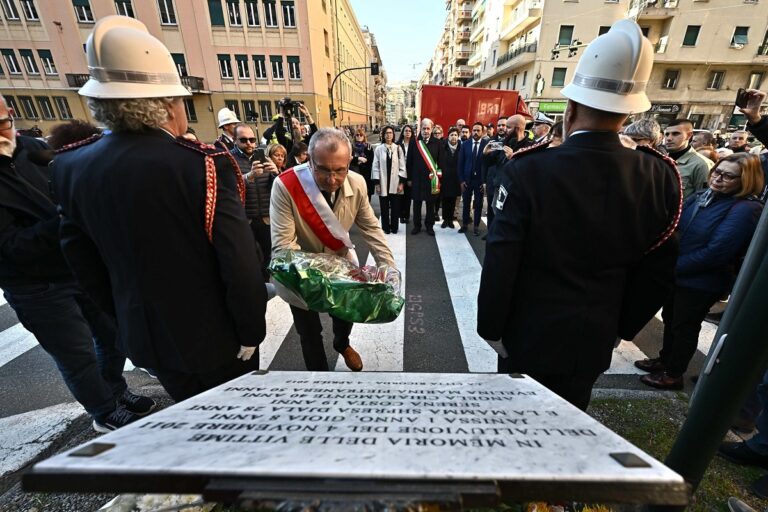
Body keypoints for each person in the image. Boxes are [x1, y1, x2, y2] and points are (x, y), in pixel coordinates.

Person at [52, 16, 267, 402]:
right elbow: (239, 263)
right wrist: (252, 331)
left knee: (186, 427)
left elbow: (81, 260)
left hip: (146, 337)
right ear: (169, 104)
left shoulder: (70, 165)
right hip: (217, 340)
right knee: (234, 435)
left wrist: (125, 319)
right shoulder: (201, 164)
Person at [477, 20, 682, 410]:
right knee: (571, 425)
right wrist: (619, 327)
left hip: (526, 332)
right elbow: (658, 272)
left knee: (516, 426)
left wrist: (490, 326)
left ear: (569, 110)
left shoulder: (527, 169)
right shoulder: (659, 174)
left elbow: (503, 258)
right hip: (594, 334)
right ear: (628, 115)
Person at [0, 96, 156, 433]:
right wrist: (69, 216)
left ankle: (116, 391)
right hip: (33, 285)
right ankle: (103, 411)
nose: (3, 131)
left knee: (114, 335)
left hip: (76, 264)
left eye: (3, 122)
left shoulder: (32, 150)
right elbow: (10, 247)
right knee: (76, 354)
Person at [270, 128, 396, 372]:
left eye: (340, 170)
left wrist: (388, 268)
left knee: (345, 316)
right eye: (324, 170)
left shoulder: (358, 183)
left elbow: (371, 228)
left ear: (349, 162)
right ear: (309, 159)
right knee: (309, 332)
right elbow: (284, 247)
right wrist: (325, 273)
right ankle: (319, 378)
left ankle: (342, 344)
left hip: (340, 264)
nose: (332, 179)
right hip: (298, 272)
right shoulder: (285, 186)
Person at [636, 153, 764, 389]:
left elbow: (717, 252)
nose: (718, 178)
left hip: (701, 282)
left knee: (685, 326)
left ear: (745, 180)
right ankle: (665, 360)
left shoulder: (745, 208)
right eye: (717, 171)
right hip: (679, 273)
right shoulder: (705, 195)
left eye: (728, 176)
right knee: (671, 319)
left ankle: (673, 374)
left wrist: (673, 268)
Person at [230, 123, 279, 278]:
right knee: (249, 258)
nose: (249, 143)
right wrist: (248, 177)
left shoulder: (264, 158)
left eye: (252, 139)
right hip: (245, 219)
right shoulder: (229, 159)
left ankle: (268, 286)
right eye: (243, 140)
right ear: (234, 140)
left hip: (266, 218)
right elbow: (227, 187)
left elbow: (277, 189)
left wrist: (276, 174)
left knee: (269, 255)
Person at [408, 118, 442, 236]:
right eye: (424, 128)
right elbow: (409, 162)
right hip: (417, 179)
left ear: (431, 129)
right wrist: (409, 179)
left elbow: (440, 161)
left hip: (431, 180)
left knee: (430, 204)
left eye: (428, 128)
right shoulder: (414, 142)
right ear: (420, 129)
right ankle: (417, 226)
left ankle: (429, 226)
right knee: (416, 204)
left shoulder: (437, 143)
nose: (426, 131)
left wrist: (438, 177)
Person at [664, 118, 714, 199]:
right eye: (667, 134)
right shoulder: (661, 159)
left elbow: (703, 198)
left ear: (688, 135)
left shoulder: (701, 164)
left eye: (675, 134)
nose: (669, 138)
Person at [372, 125, 406, 234]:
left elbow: (402, 166)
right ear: (383, 135)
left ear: (393, 135)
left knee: (395, 207)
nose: (388, 135)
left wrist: (401, 183)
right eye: (386, 133)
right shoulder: (379, 149)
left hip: (395, 183)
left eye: (390, 133)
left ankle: (394, 227)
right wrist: (377, 184)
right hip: (383, 183)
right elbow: (375, 166)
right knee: (384, 207)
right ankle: (386, 228)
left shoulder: (398, 148)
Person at [458, 122, 488, 236]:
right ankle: (465, 225)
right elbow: (460, 164)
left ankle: (476, 226)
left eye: (478, 130)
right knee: (466, 202)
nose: (476, 132)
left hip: (479, 180)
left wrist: (484, 182)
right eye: (474, 130)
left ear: (482, 132)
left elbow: (488, 164)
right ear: (471, 132)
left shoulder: (487, 144)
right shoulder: (465, 144)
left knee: (479, 204)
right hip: (467, 180)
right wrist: (461, 180)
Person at [438, 127, 462, 229]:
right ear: (448, 136)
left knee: (452, 200)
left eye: (456, 135)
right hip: (445, 177)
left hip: (455, 178)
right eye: (452, 135)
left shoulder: (461, 147)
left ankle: (450, 220)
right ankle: (445, 220)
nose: (454, 137)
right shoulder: (443, 146)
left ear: (458, 137)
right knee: (445, 199)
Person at [349, 128, 374, 201]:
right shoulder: (351, 147)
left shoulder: (368, 147)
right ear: (355, 137)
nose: (359, 136)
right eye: (357, 135)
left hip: (366, 174)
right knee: (355, 195)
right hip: (354, 174)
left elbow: (371, 161)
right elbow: (348, 159)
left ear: (364, 137)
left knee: (366, 195)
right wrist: (358, 159)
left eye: (361, 135)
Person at [397, 125, 416, 224]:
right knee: (400, 195)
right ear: (403, 132)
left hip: (410, 174)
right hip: (399, 173)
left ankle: (407, 215)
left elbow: (415, 163)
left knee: (408, 196)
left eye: (409, 131)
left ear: (412, 133)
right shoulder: (397, 144)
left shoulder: (415, 144)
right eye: (406, 130)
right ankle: (401, 215)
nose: (408, 132)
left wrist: (411, 178)